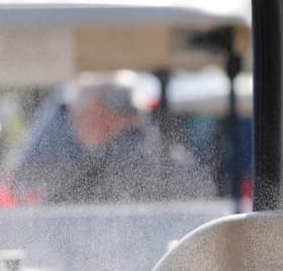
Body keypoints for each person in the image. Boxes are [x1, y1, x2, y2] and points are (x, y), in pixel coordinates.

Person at [34, 71, 212, 204]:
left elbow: (58, 212)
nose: (75, 129)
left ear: (97, 111)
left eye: (77, 117)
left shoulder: (98, 170)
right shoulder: (179, 159)